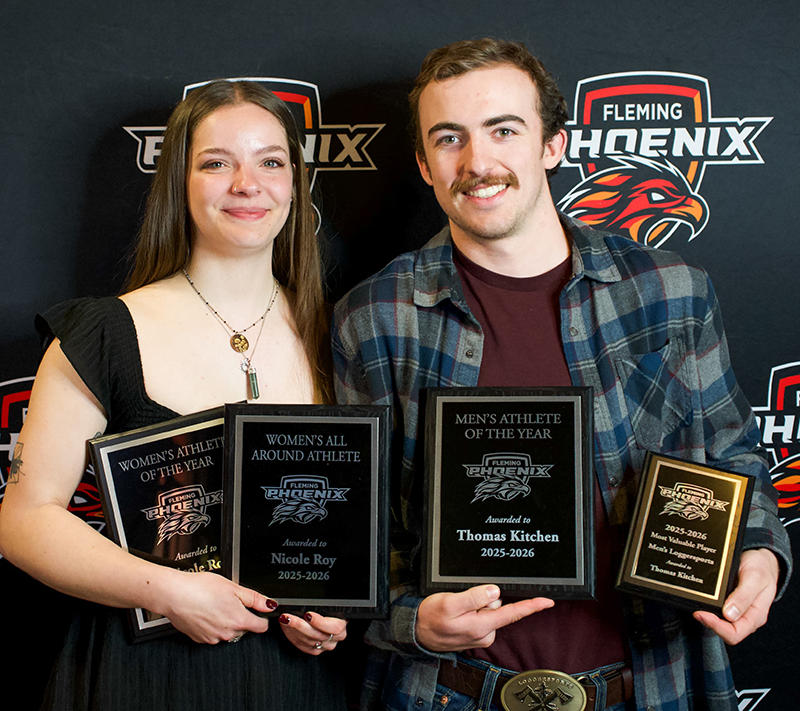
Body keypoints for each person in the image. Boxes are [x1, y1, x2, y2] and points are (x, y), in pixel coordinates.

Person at [331, 39, 792, 711]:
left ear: (553, 144)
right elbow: (354, 536)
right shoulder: (374, 317)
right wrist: (413, 618)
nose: (478, 162)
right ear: (425, 165)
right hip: (450, 693)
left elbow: (733, 459)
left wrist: (759, 552)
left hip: (647, 686)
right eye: (449, 139)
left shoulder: (670, 290)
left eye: (503, 131)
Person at [0, 80, 348, 710]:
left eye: (271, 161)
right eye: (217, 163)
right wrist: (167, 591)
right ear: (178, 184)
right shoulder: (105, 333)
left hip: (294, 681)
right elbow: (23, 522)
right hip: (142, 675)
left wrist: (336, 615)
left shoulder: (344, 333)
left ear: (296, 183)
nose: (248, 183)